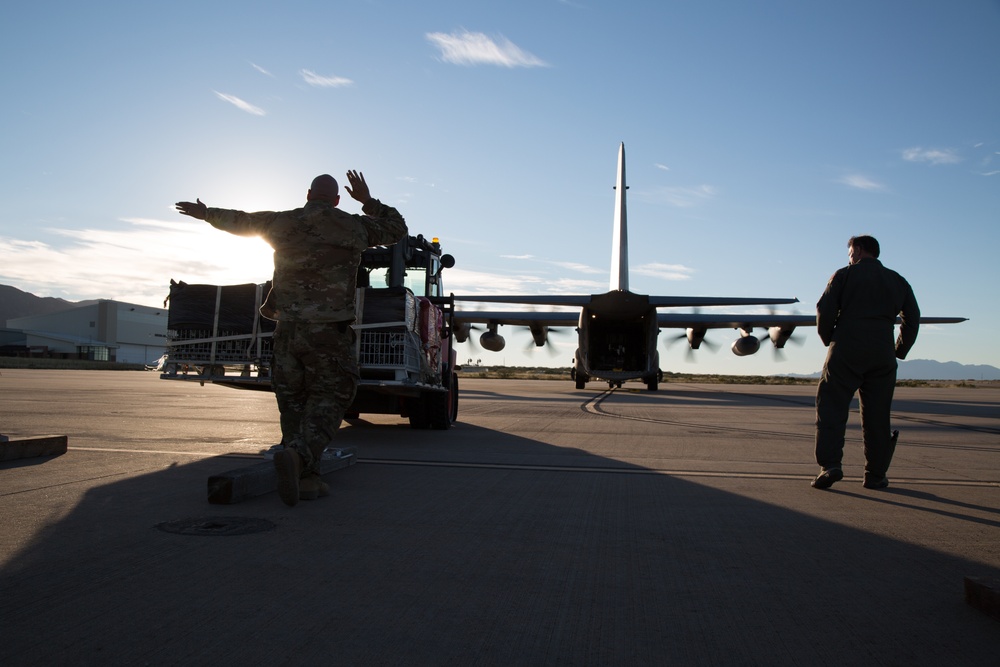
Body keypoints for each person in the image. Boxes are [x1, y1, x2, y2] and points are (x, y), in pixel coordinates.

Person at [176, 171, 407, 506]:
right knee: (331, 396)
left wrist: (206, 213)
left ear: (308, 194)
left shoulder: (281, 222)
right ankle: (299, 456)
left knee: (292, 401)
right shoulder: (353, 225)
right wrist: (368, 201)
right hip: (328, 331)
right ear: (338, 199)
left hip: (287, 330)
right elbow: (397, 229)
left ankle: (306, 478)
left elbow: (242, 222)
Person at [812, 235, 919, 490]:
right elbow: (912, 318)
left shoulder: (843, 275)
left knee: (832, 407)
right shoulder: (898, 281)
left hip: (846, 349)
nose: (849, 256)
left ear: (858, 250)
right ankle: (875, 474)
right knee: (878, 416)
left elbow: (824, 310)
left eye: (850, 251)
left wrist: (829, 339)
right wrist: (899, 350)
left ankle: (830, 466)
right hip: (882, 352)